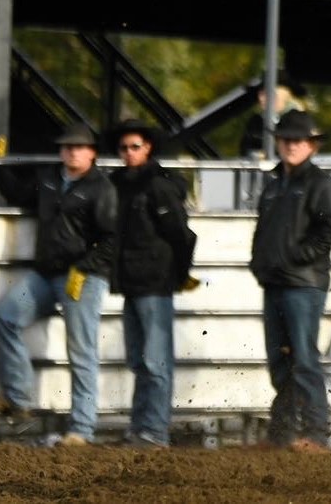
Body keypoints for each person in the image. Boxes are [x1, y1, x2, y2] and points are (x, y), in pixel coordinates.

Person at [0, 123, 117, 446]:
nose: (71, 152)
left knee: (81, 351)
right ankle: (21, 400)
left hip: (83, 277)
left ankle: (82, 428)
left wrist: (85, 268)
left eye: (78, 147)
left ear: (91, 153)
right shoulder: (50, 178)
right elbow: (16, 193)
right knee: (4, 317)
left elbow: (111, 239)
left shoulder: (101, 188)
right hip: (48, 272)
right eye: (67, 147)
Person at [249, 109, 331, 453]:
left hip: (303, 284)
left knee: (303, 358)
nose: (291, 145)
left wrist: (296, 256)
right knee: (281, 360)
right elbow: (265, 230)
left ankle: (316, 433)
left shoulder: (320, 185)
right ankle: (285, 433)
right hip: (280, 282)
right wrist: (261, 262)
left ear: (311, 146)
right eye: (286, 139)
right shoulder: (276, 186)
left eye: (297, 140)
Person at [109, 121, 197, 449]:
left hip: (153, 283)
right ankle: (142, 428)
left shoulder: (157, 187)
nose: (129, 153)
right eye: (124, 148)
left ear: (147, 148)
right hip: (134, 284)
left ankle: (154, 430)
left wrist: (178, 273)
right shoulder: (121, 184)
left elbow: (181, 233)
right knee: (140, 360)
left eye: (135, 146)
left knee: (154, 362)